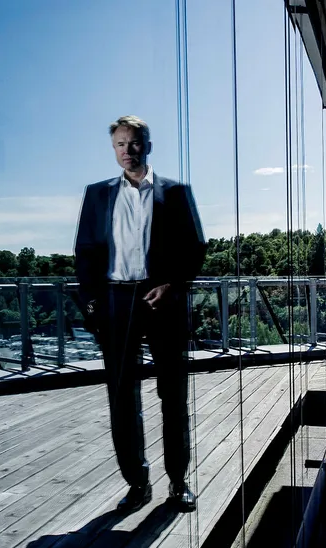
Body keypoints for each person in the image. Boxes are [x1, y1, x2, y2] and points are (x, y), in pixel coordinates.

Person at [74, 115, 206, 513]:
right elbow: (85, 253)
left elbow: (195, 247)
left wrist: (173, 286)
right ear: (113, 149)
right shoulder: (97, 194)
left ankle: (178, 481)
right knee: (121, 398)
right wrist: (93, 304)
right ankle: (137, 483)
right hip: (116, 301)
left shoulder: (176, 192)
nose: (127, 151)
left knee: (173, 395)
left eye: (133, 143)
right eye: (120, 144)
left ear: (147, 145)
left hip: (161, 298)